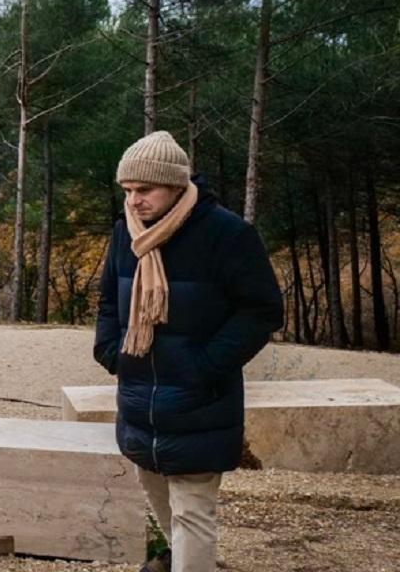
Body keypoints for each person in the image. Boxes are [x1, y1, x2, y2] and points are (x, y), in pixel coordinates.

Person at [93, 131, 284, 572]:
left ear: (176, 185)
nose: (134, 200)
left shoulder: (227, 234)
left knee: (193, 510)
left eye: (145, 190)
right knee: (159, 497)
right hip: (141, 398)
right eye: (128, 190)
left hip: (200, 399)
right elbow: (108, 300)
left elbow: (263, 310)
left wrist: (206, 365)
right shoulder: (126, 232)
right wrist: (110, 352)